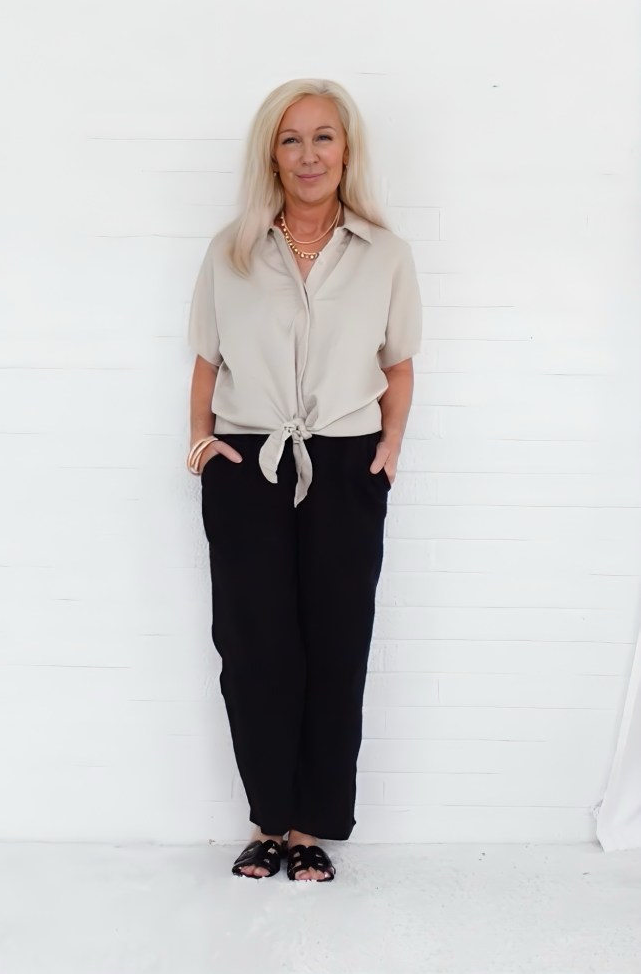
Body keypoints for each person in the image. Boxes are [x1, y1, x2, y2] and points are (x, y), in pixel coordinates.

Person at [186, 78, 422, 881]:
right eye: (291, 139)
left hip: (346, 462)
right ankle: (268, 820)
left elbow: (399, 361)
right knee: (254, 647)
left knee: (335, 642)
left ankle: (313, 827)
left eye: (324, 137)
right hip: (247, 461)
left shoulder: (384, 254)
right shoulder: (232, 250)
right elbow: (206, 357)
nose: (308, 154)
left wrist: (389, 444)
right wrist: (200, 440)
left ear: (345, 150)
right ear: (272, 155)